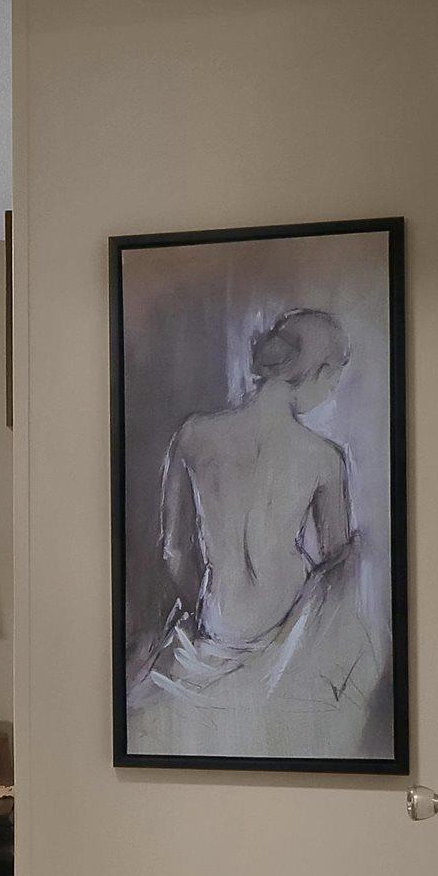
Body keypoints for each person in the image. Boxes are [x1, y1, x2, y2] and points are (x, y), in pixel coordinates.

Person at [128, 306, 386, 759]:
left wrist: (201, 608)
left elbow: (174, 549)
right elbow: (336, 563)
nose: (332, 389)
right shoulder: (324, 457)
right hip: (289, 630)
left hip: (218, 621)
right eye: (334, 376)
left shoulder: (193, 436)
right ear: (319, 371)